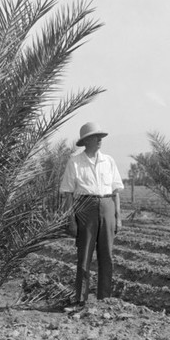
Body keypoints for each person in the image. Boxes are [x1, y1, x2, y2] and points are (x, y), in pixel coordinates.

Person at [60, 122, 124, 306]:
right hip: (85, 208)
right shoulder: (75, 162)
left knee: (107, 255)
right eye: (96, 137)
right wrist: (71, 219)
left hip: (107, 206)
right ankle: (81, 299)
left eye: (100, 138)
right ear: (86, 140)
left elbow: (116, 191)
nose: (99, 141)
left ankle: (105, 298)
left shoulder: (109, 161)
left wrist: (118, 217)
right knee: (84, 254)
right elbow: (68, 194)